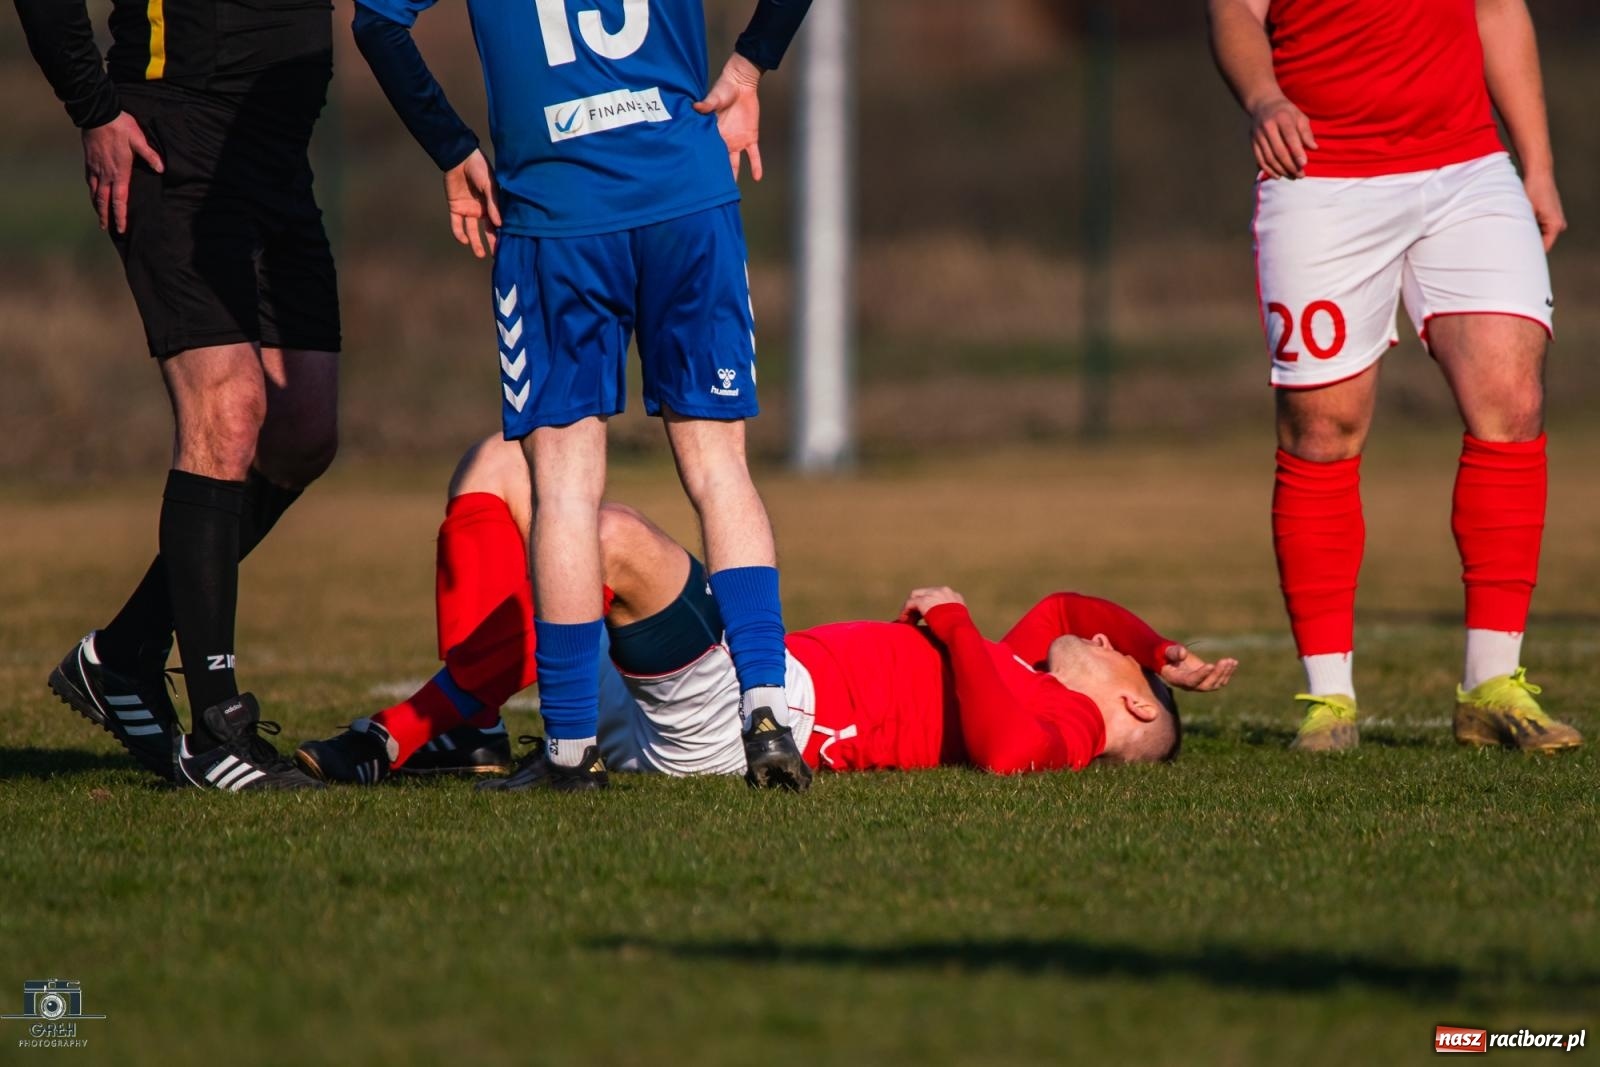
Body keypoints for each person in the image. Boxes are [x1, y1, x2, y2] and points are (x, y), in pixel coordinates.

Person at [351, 0, 816, 790]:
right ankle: (764, 711)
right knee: (719, 467)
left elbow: (375, 22)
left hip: (557, 215)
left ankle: (570, 752)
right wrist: (747, 68)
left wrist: (452, 148)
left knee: (565, 488)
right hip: (685, 193)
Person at [293, 437, 1239, 785]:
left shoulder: (1066, 718)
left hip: (747, 721)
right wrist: (1160, 644)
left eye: (1126, 659)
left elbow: (1004, 754)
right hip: (705, 703)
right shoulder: (1032, 668)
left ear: (1136, 708)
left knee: (612, 538)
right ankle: (476, 719)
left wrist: (952, 624)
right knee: (499, 467)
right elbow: (1069, 603)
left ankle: (399, 732)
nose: (1105, 638)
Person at [1207, 0, 1582, 752]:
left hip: (1468, 168)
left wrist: (1536, 165)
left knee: (1513, 400)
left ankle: (1492, 686)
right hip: (1321, 176)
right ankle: (1329, 702)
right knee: (1324, 428)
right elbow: (1235, 12)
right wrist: (1265, 98)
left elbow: (1499, 10)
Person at [15, 0, 342, 789]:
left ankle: (123, 656)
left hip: (278, 153)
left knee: (303, 431)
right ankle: (216, 732)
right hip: (173, 133)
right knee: (227, 410)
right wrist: (93, 108)